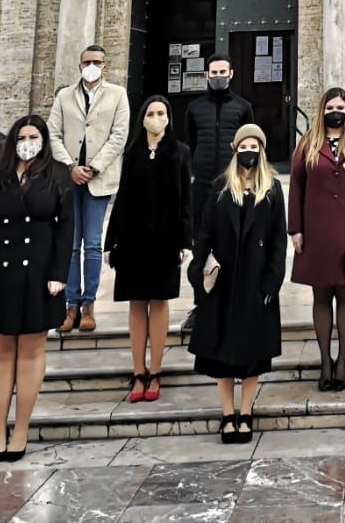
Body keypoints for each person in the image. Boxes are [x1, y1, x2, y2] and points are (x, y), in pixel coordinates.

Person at [0, 115, 73, 461]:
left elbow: (66, 228)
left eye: (34, 136)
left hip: (39, 274)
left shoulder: (57, 176)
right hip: (0, 272)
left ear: (43, 141)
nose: (27, 141)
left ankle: (21, 428)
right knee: (1, 353)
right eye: (22, 136)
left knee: (31, 352)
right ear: (12, 141)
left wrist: (59, 274)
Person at [188, 125, 287, 445]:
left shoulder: (271, 188)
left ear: (262, 150)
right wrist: (198, 270)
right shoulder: (220, 187)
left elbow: (277, 239)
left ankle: (246, 412)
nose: (249, 151)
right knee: (222, 354)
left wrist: (273, 279)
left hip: (256, 282)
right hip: (224, 280)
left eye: (254, 146)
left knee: (253, 352)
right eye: (244, 145)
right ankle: (227, 413)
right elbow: (205, 233)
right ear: (235, 150)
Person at [288, 88, 345, 391]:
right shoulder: (308, 142)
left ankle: (342, 360)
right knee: (321, 296)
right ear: (322, 110)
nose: (335, 111)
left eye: (340, 106)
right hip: (316, 230)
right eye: (330, 107)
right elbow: (297, 186)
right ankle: (324, 361)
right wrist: (295, 229)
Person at [104, 95, 192, 403]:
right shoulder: (132, 154)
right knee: (136, 304)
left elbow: (185, 200)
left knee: (160, 302)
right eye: (151, 112)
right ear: (142, 118)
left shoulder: (180, 153)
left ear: (169, 117)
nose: (156, 117)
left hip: (165, 238)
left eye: (161, 112)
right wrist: (110, 240)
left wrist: (185, 240)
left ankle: (155, 370)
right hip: (132, 239)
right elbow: (123, 197)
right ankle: (137, 370)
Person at [46, 43, 129, 334]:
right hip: (69, 181)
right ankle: (70, 304)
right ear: (80, 65)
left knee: (92, 244)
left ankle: (89, 305)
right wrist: (70, 167)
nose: (91, 66)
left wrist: (93, 167)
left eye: (97, 61)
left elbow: (119, 136)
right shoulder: (64, 96)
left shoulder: (118, 94)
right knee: (70, 244)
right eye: (87, 61)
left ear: (105, 65)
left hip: (99, 179)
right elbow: (52, 133)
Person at [183, 53, 254, 330]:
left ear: (231, 74)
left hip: (233, 186)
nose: (218, 77)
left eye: (223, 71)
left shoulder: (243, 107)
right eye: (213, 72)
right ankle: (201, 305)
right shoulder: (194, 108)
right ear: (207, 75)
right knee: (202, 249)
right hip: (202, 188)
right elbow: (190, 141)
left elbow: (251, 145)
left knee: (235, 248)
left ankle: (235, 305)